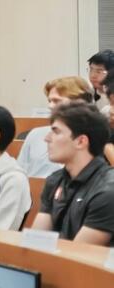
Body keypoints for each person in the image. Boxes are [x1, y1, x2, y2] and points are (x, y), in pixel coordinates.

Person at [35, 103, 114, 246]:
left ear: (81, 141)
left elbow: (78, 252)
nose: (47, 138)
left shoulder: (108, 190)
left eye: (56, 132)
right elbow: (36, 242)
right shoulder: (54, 180)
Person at [18, 77, 92, 178]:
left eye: (56, 101)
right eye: (49, 101)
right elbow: (20, 172)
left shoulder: (92, 137)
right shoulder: (35, 135)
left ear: (79, 103)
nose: (50, 106)